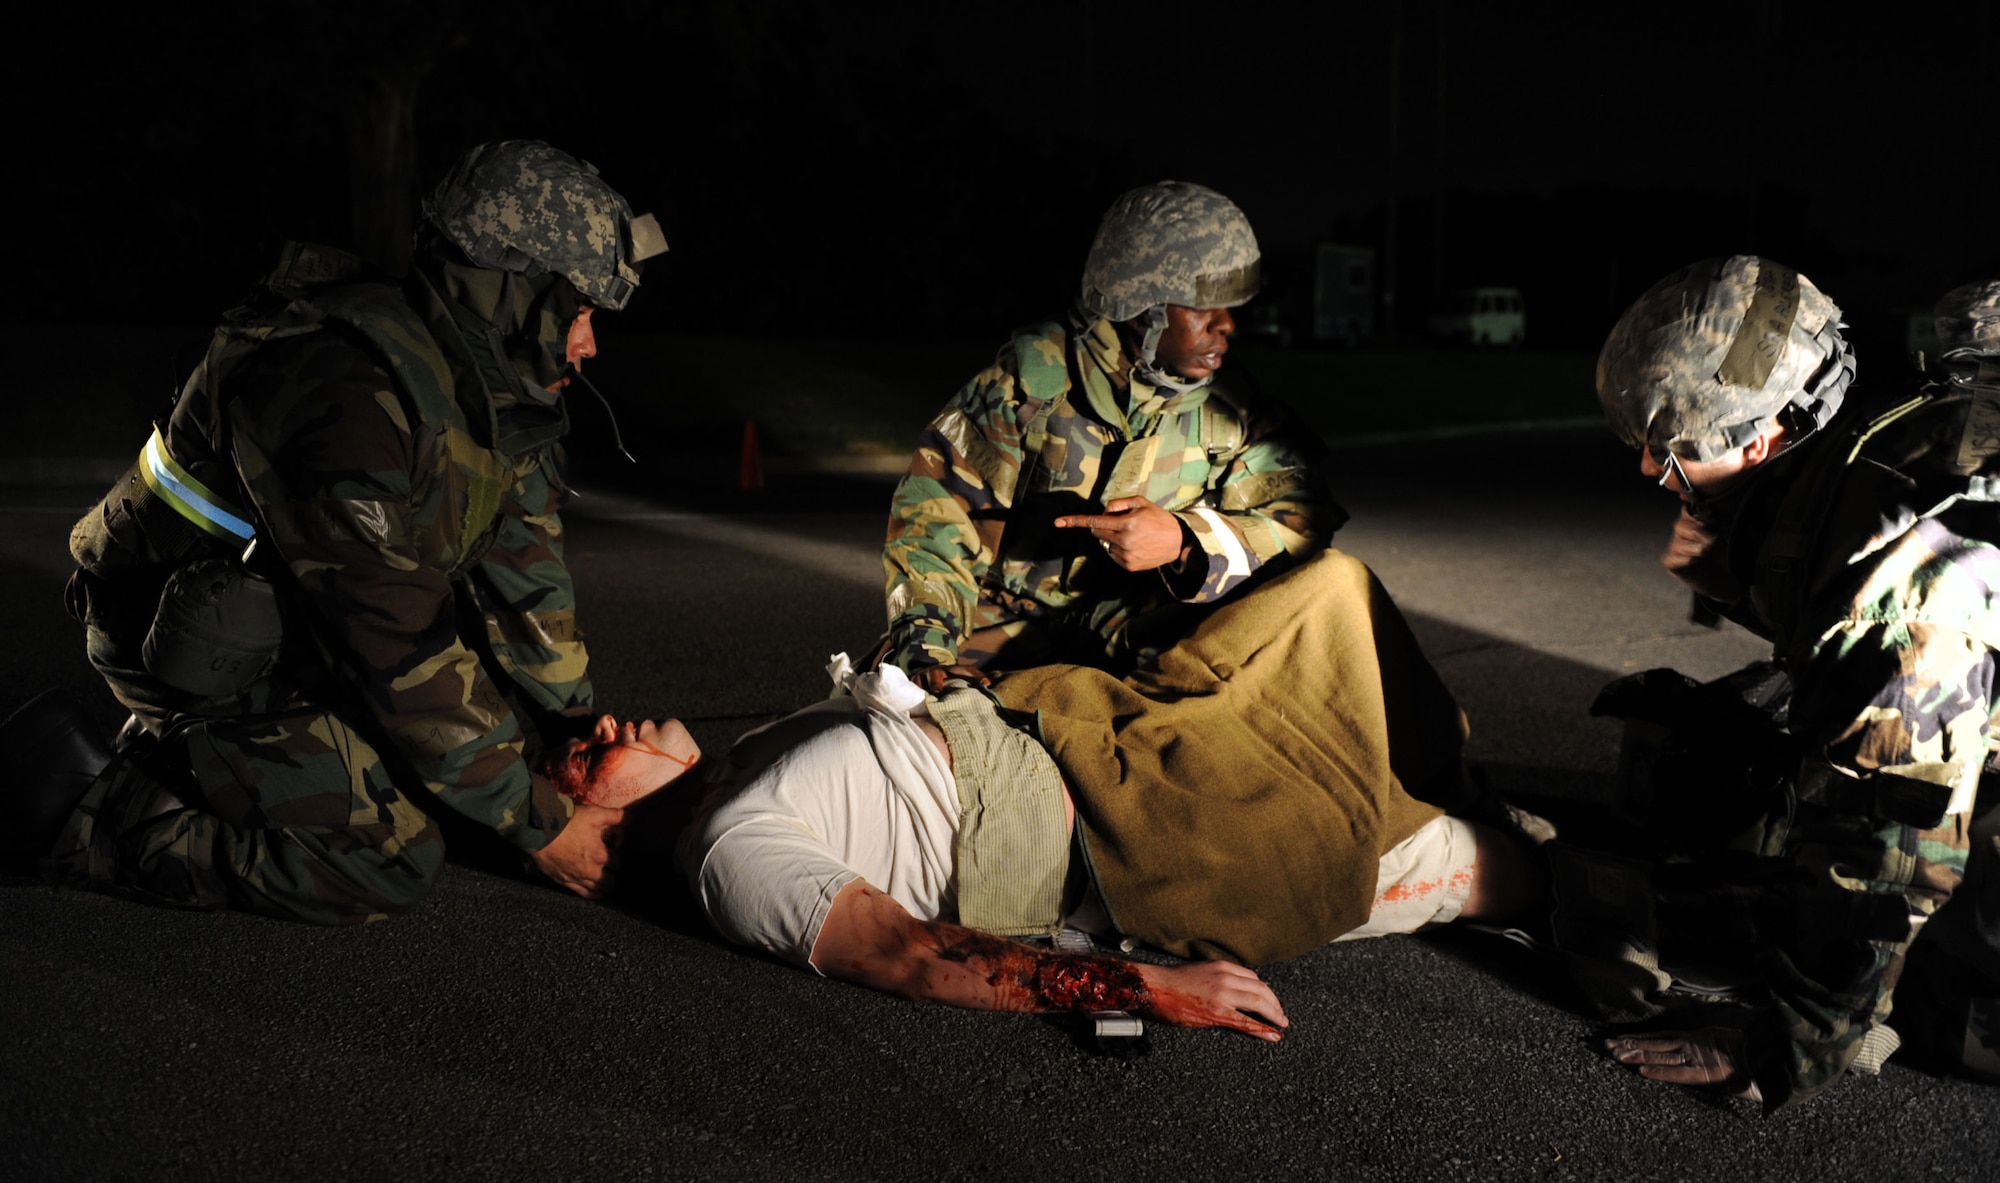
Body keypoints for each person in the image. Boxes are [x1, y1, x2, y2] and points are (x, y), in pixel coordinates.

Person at [0, 140, 672, 924]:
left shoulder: (490, 397)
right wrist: (543, 828)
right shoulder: (342, 386)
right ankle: (75, 807)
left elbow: (528, 584)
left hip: (282, 630)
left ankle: (203, 758)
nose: (589, 345)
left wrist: (574, 732)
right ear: (509, 292)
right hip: (174, 635)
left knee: (461, 774)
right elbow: (398, 643)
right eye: (579, 311)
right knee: (390, 852)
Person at [612, 548, 1546, 1037]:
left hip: (1074, 726)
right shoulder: (727, 852)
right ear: (595, 830)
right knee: (1449, 857)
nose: (603, 724)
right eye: (581, 761)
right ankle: (1591, 897)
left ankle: (1446, 784)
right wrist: (1151, 988)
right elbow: (904, 952)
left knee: (1330, 598)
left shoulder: (740, 760)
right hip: (1120, 825)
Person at [1584, 259, 1997, 1107]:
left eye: (1671, 454)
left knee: (1942, 997)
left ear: (1761, 441)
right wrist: (1742, 578)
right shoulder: (1882, 444)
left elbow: (1894, 832)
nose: (1652, 473)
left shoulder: (1896, 566)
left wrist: (1795, 1041)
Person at [879, 181, 1340, 693]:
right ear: (1142, 307)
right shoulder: (1028, 389)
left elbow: (1305, 520)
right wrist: (927, 650)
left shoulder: (1233, 411)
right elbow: (932, 521)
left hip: (1136, 627)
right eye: (1203, 305)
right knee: (899, 712)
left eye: (1232, 306)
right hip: (1008, 622)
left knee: (1260, 688)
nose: (1228, 324)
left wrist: (1186, 540)